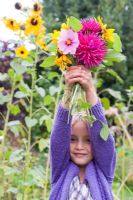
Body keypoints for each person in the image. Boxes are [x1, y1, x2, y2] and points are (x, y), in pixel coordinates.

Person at [49, 66, 116, 200]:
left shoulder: (103, 172)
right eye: (72, 139)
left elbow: (103, 139)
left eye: (88, 140)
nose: (79, 147)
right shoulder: (61, 171)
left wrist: (89, 89)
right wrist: (68, 90)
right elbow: (58, 136)